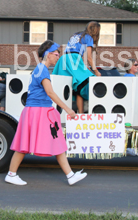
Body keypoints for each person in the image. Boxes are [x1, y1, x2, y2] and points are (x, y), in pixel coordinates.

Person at [5, 41, 87, 186]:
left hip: (36, 111)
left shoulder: (39, 69)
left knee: (33, 143)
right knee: (48, 142)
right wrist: (68, 109)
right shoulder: (42, 70)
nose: (58, 57)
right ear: (48, 54)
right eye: (56, 54)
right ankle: (69, 175)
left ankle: (70, 175)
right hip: (39, 112)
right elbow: (49, 92)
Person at [52, 21, 101, 114]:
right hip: (74, 59)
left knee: (78, 86)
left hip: (64, 59)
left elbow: (74, 50)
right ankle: (88, 112)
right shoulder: (88, 37)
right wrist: (96, 72)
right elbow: (89, 57)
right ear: (96, 31)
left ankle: (80, 114)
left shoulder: (76, 35)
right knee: (89, 81)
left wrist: (84, 65)